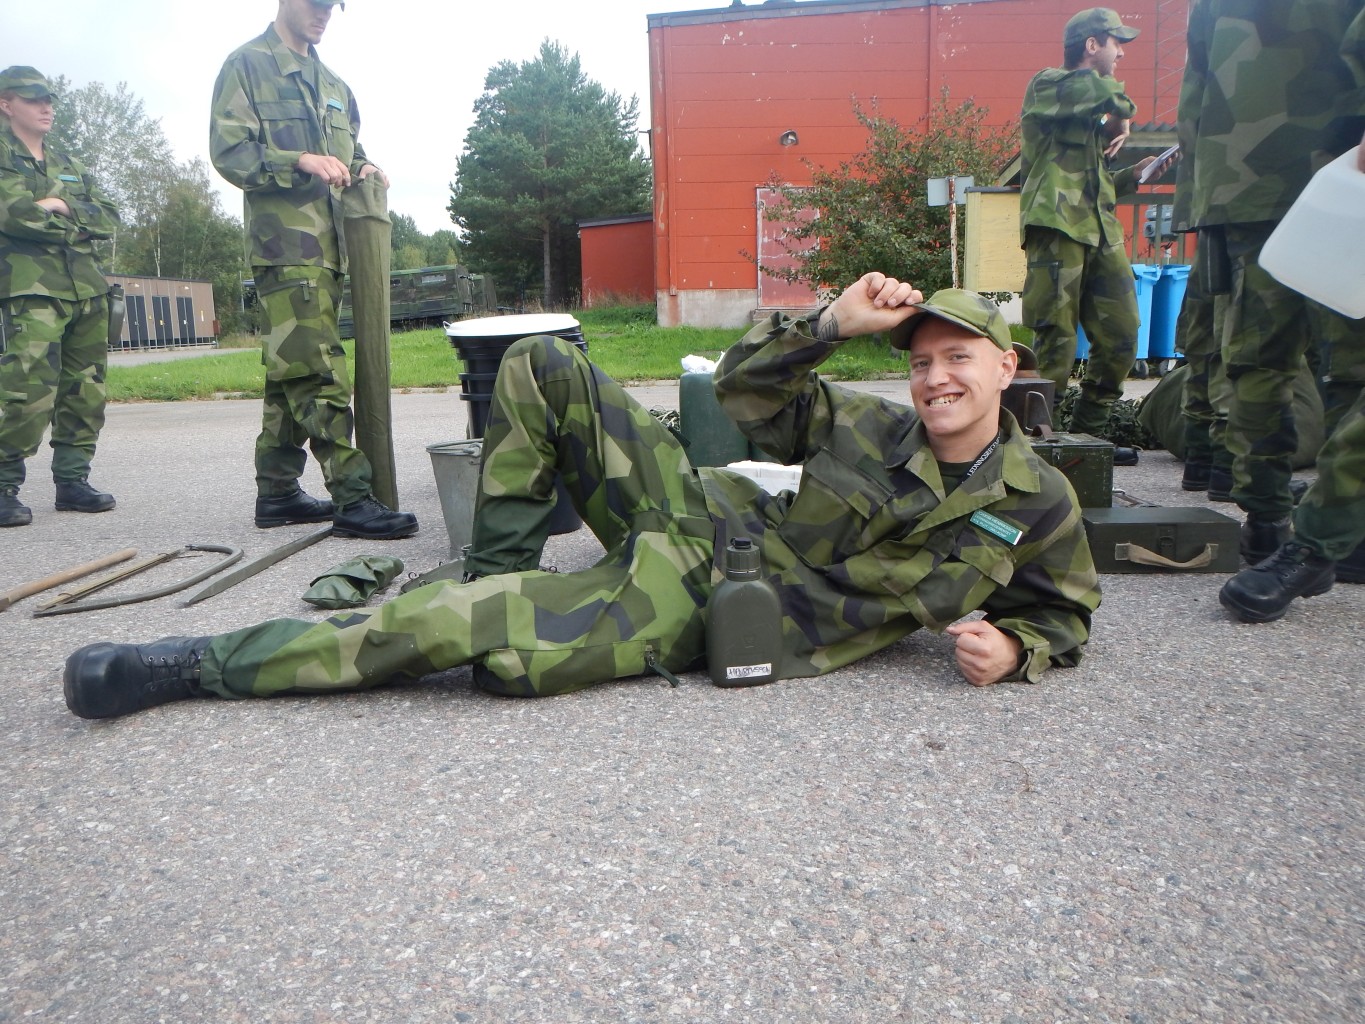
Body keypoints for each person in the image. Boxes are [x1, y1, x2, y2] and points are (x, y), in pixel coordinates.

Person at [61, 275, 1102, 720]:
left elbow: (1062, 610)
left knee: (465, 634)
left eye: (958, 359)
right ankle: (498, 577)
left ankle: (195, 666)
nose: (935, 379)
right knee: (540, 361)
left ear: (1006, 366)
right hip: (701, 517)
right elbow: (743, 392)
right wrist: (828, 325)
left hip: (724, 606)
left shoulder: (1037, 500)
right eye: (920, 361)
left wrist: (1016, 651)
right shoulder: (868, 425)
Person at [210, 0, 416, 539]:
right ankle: (352, 495)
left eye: (332, 6)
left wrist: (365, 166)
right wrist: (297, 160)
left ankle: (277, 491)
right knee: (317, 370)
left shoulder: (334, 84)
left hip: (333, 250)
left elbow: (350, 149)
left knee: (292, 369)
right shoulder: (248, 65)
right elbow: (229, 151)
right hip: (286, 248)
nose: (324, 14)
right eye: (315, 3)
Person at [1213, 2, 1365, 622]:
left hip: (1255, 173)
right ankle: (1312, 536)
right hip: (1322, 165)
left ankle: (1290, 530)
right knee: (1330, 359)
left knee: (1265, 355)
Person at [1019, 8, 1168, 444]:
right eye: (1116, 43)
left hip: (1101, 233)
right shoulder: (1048, 85)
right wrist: (1121, 116)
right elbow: (1105, 94)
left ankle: (1090, 438)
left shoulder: (1090, 115)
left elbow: (1092, 186)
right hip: (1057, 227)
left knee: (1123, 335)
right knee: (1057, 340)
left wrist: (1134, 174)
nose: (1121, 53)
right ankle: (1039, 441)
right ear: (1091, 44)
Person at [0, 66, 120, 529]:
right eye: (33, 99)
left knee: (85, 389)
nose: (46, 107)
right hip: (33, 289)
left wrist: (60, 205)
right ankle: (3, 484)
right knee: (27, 386)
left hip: (87, 287)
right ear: (6, 104)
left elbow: (108, 217)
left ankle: (73, 480)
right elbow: (14, 216)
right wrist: (77, 223)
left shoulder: (67, 161)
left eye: (49, 99)